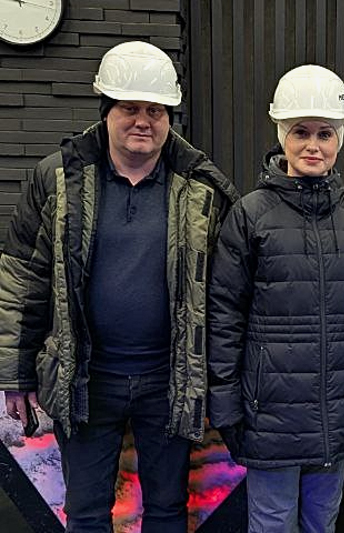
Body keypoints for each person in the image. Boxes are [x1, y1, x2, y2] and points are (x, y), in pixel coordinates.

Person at [0, 40, 238, 532]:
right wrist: (15, 372)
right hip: (85, 379)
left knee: (169, 510)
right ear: (106, 110)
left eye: (155, 111)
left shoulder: (202, 188)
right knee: (86, 512)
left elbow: (230, 289)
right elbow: (23, 276)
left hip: (170, 381)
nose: (143, 121)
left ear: (170, 117)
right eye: (130, 108)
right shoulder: (59, 179)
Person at [206, 64, 344, 533]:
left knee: (321, 524)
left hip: (337, 412)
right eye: (300, 132)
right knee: (272, 524)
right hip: (269, 413)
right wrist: (224, 402)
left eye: (324, 133)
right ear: (282, 136)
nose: (313, 145)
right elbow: (225, 317)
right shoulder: (249, 216)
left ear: (339, 139)